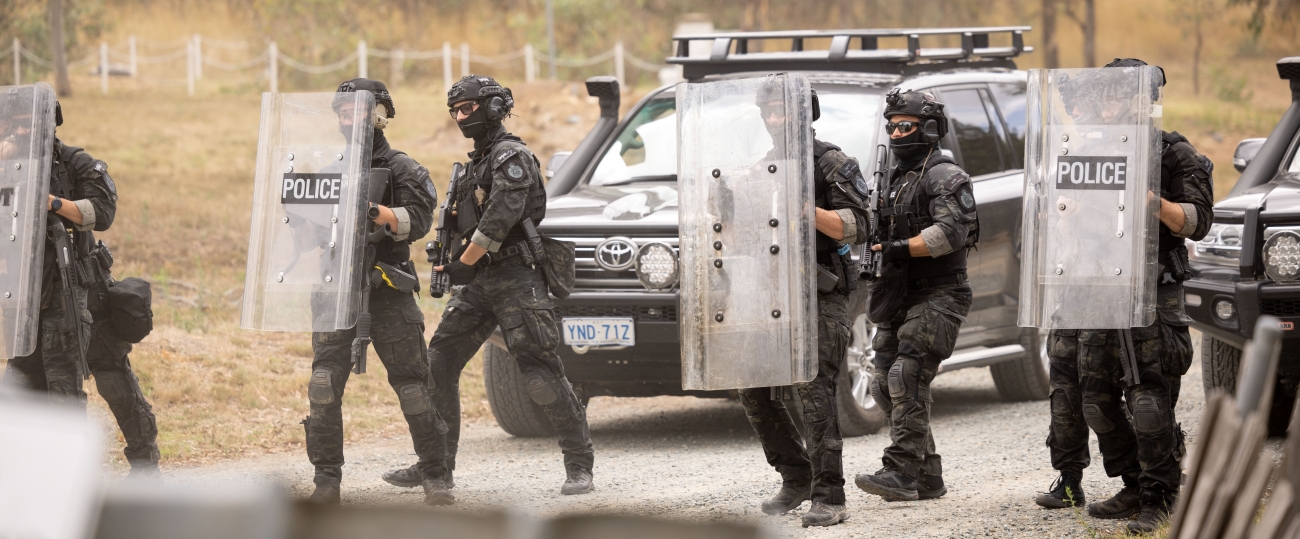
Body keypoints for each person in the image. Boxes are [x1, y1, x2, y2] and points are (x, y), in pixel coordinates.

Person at [390, 75, 593, 502]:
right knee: (438, 362)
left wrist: (463, 264)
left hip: (516, 277)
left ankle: (579, 465)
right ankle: (437, 467)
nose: (461, 117)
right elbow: (468, 225)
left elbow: (498, 220)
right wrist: (453, 258)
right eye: (455, 111)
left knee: (539, 371)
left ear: (495, 107)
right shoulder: (474, 164)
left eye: (468, 109)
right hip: (480, 280)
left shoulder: (511, 157)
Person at [1032, 58, 1213, 535]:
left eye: (1122, 95)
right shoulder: (1086, 148)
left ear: (1144, 99)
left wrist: (1151, 200)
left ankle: (1161, 494)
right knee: (1095, 399)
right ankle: (1133, 481)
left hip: (1151, 291)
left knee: (1150, 398)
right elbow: (1058, 215)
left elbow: (1197, 220)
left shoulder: (1172, 153)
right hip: (1093, 286)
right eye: (1105, 95)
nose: (1111, 104)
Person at [0, 95, 163, 476]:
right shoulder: (7, 165)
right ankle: (36, 481)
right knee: (19, 391)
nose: (21, 130)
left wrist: (53, 202)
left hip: (84, 294)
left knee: (112, 381)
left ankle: (145, 465)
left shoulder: (76, 163)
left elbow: (103, 212)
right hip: (30, 299)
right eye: (15, 123)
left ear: (49, 123)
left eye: (29, 122)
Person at [301, 78, 443, 505]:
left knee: (414, 386)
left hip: (387, 290)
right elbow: (309, 237)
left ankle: (436, 474)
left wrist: (372, 210)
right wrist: (297, 208)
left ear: (380, 114)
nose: (349, 117)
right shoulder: (331, 170)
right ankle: (326, 482)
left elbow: (418, 220)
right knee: (323, 384)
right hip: (336, 291)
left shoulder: (403, 168)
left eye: (357, 109)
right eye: (342, 111)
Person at [735, 78, 869, 528]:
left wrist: (805, 209)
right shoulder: (762, 169)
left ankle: (829, 494)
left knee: (814, 390)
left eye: (782, 111)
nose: (774, 119)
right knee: (752, 387)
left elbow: (856, 225)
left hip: (821, 293)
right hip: (772, 293)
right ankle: (795, 475)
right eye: (768, 111)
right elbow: (749, 236)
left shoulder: (831, 163)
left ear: (804, 112)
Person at [854, 89, 979, 503]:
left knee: (906, 376)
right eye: (891, 127)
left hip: (941, 292)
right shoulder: (891, 177)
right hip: (899, 292)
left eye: (904, 126)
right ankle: (927, 474)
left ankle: (901, 471)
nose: (896, 134)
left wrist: (900, 248)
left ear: (928, 129)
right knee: (882, 384)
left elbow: (950, 234)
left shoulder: (945, 175)